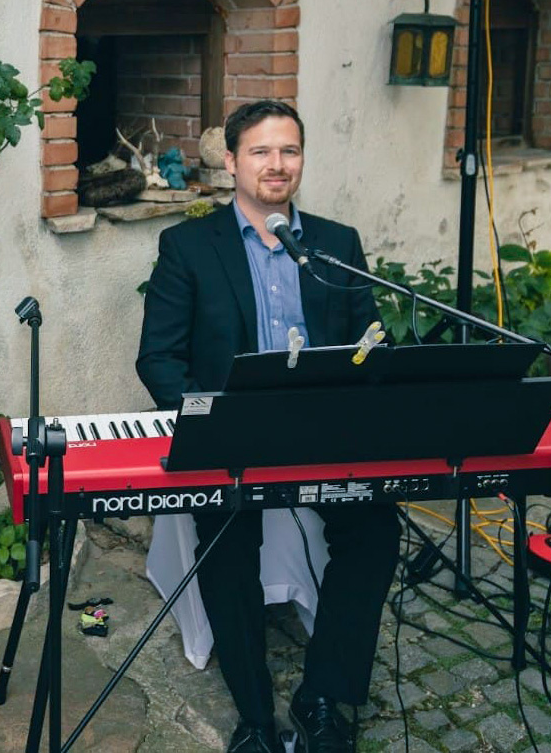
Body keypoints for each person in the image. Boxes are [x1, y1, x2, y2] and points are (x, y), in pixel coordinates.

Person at [136, 99, 400, 753]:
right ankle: (255, 713)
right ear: (231, 162)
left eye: (289, 150)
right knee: (226, 543)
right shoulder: (188, 246)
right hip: (231, 433)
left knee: (375, 528)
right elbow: (159, 358)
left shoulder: (337, 245)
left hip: (325, 434)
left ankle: (321, 694)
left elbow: (370, 342)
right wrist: (209, 416)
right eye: (260, 151)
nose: (276, 164)